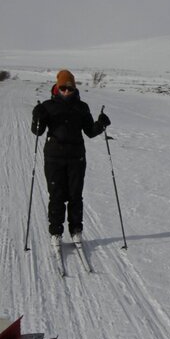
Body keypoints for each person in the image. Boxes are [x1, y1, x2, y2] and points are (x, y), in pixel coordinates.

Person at [31, 70, 110, 245]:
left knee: (75, 196)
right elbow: (38, 131)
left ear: (74, 88)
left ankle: (76, 230)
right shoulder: (47, 106)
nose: (66, 91)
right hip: (53, 158)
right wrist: (36, 116)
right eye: (63, 88)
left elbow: (90, 132)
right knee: (56, 196)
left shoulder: (82, 107)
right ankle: (56, 233)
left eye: (70, 88)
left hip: (76, 159)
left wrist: (101, 124)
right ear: (57, 87)